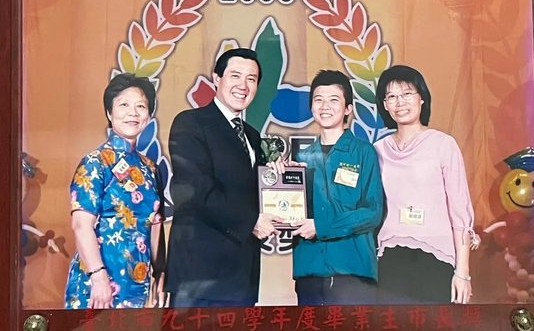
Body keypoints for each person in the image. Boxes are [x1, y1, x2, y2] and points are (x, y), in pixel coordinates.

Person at [166, 47, 278, 307]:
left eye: (251, 79)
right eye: (235, 76)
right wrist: (251, 221)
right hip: (200, 275)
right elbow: (196, 189)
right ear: (216, 78)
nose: (243, 85)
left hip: (243, 274)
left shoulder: (252, 135)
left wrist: (282, 178)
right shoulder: (191, 123)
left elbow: (254, 191)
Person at [278, 70, 383, 305]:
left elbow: (372, 212)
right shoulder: (301, 159)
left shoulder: (363, 152)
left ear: (348, 109)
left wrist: (321, 226)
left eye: (334, 100)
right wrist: (282, 181)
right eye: (318, 100)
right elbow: (291, 214)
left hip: (353, 270)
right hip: (310, 270)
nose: (325, 106)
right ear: (311, 107)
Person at [374, 64, 477, 304]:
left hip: (436, 257)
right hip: (390, 258)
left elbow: (460, 212)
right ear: (385, 105)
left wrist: (463, 273)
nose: (400, 102)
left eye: (407, 93)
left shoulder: (443, 145)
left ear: (421, 98)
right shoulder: (378, 150)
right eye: (392, 97)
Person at [65, 73, 166, 309]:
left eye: (141, 106)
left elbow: (155, 225)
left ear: (149, 116)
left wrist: (160, 274)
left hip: (138, 284)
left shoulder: (150, 168)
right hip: (98, 284)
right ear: (109, 113)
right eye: (124, 105)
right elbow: (81, 225)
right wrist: (98, 276)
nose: (133, 113)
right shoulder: (95, 162)